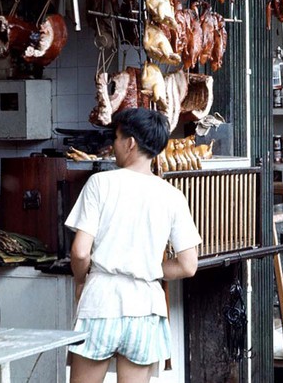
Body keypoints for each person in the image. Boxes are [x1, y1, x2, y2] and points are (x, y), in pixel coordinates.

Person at [65, 108, 201, 383]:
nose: (113, 145)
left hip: (101, 301)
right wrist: (150, 267)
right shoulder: (172, 195)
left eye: (115, 138)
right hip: (146, 307)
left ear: (130, 143)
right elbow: (188, 265)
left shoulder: (100, 183)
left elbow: (80, 252)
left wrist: (81, 281)